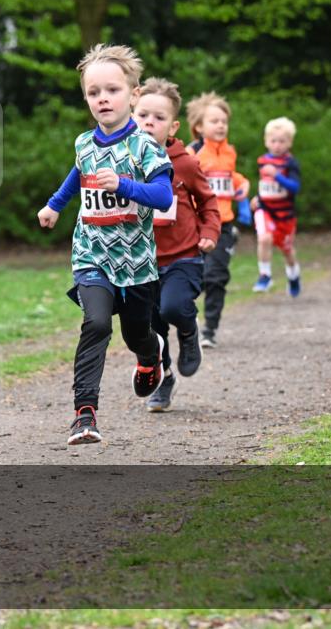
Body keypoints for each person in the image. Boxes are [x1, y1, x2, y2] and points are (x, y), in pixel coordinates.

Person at [36, 44, 173, 444]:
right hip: (91, 253)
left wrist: (125, 185)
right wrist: (54, 206)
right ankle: (84, 414)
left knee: (136, 334)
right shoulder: (84, 143)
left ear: (133, 95)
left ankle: (151, 356)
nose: (102, 99)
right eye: (94, 92)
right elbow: (77, 175)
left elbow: (163, 197)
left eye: (111, 90)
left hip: (136, 262)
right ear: (86, 99)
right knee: (95, 324)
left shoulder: (146, 146)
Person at [132, 78, 220, 412]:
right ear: (131, 116)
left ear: (173, 125)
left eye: (158, 117)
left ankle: (188, 331)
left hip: (182, 257)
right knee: (149, 330)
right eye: (142, 115)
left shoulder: (184, 163)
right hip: (142, 262)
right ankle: (164, 377)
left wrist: (210, 232)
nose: (149, 122)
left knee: (172, 309)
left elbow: (208, 203)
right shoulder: (124, 161)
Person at [185, 92, 250, 349]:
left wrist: (242, 183)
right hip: (195, 223)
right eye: (214, 121)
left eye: (224, 121)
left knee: (217, 276)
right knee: (194, 277)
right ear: (199, 126)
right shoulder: (192, 152)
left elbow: (230, 175)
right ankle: (185, 320)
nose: (221, 125)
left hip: (223, 224)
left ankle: (209, 328)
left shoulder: (229, 152)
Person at [251, 117, 302, 296]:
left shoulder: (290, 163)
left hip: (285, 215)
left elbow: (295, 188)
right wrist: (256, 198)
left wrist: (278, 176)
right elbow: (264, 185)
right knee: (264, 239)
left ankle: (294, 276)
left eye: (282, 141)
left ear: (289, 142)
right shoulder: (262, 161)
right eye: (273, 141)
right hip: (265, 210)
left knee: (287, 250)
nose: (277, 145)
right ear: (266, 141)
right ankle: (265, 274)